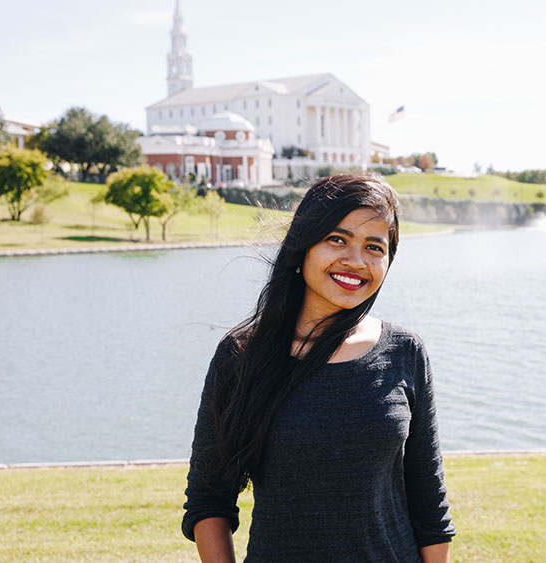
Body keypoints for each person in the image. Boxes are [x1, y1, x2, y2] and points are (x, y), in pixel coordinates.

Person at [182, 174, 455, 562]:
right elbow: (209, 498)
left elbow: (429, 501)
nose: (356, 261)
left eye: (374, 247)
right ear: (303, 245)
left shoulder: (405, 352)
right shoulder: (241, 356)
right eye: (337, 239)